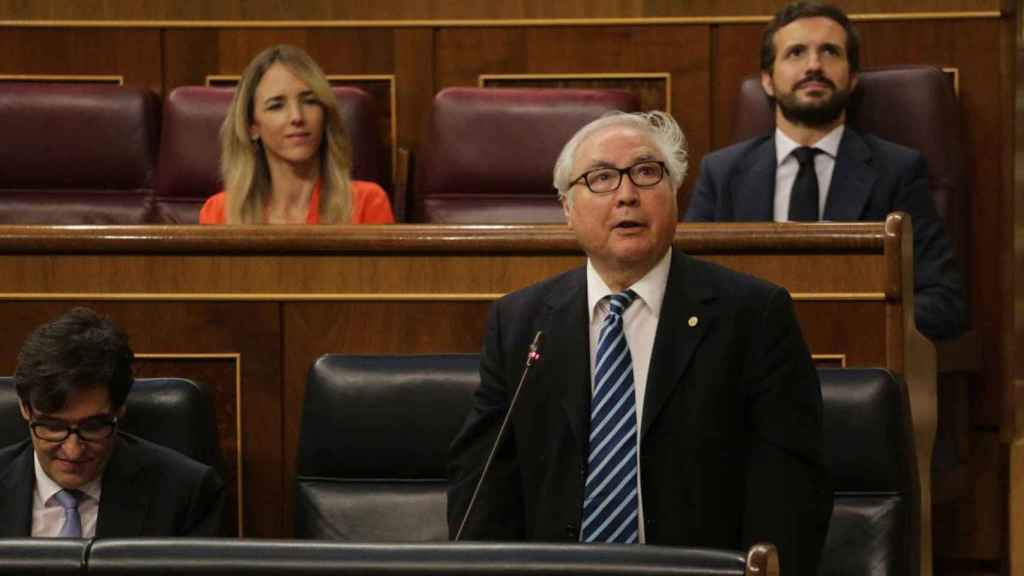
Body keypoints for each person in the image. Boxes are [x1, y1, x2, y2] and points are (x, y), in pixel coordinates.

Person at [448, 111, 832, 576]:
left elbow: (791, 493)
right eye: (602, 178)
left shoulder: (752, 315)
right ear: (568, 208)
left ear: (675, 195)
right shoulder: (521, 322)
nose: (627, 195)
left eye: (647, 173)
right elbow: (484, 487)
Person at [685, 1, 966, 342]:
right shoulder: (722, 173)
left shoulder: (897, 171)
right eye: (796, 53)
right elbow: (689, 291)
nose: (814, 65)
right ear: (767, 81)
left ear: (852, 79)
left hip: (853, 362)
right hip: (748, 369)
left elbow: (944, 301)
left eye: (830, 52)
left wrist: (846, 321)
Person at [0, 307, 226, 538]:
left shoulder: (187, 494)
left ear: (119, 410)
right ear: (25, 409)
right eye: (53, 427)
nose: (73, 450)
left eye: (93, 427)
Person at [200, 44, 394, 224]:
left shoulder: (367, 204)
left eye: (309, 101)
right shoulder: (220, 213)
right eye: (276, 105)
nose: (297, 117)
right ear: (252, 126)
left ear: (325, 114)